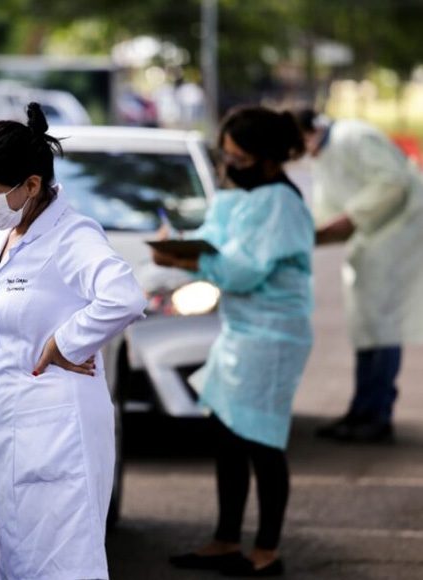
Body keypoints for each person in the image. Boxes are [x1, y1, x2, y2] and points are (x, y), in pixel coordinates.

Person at [0, 103, 147, 580]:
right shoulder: (7, 234)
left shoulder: (73, 236)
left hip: (59, 433)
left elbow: (124, 298)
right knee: (18, 561)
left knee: (62, 564)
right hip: (10, 431)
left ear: (32, 185)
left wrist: (67, 342)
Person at [153, 106, 314, 577]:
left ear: (268, 158)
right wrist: (179, 243)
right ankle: (225, 540)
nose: (230, 165)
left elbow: (243, 271)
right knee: (227, 435)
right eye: (226, 155)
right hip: (240, 330)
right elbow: (213, 238)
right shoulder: (241, 194)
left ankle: (266, 551)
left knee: (262, 439)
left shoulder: (280, 201)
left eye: (239, 157)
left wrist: (186, 262)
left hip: (273, 334)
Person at [294, 109, 423, 443]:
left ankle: (377, 413)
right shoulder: (325, 154)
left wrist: (350, 219)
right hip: (372, 242)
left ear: (309, 132)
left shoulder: (352, 136)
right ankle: (362, 409)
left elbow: (393, 183)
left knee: (383, 328)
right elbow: (328, 213)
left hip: (397, 237)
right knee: (367, 328)